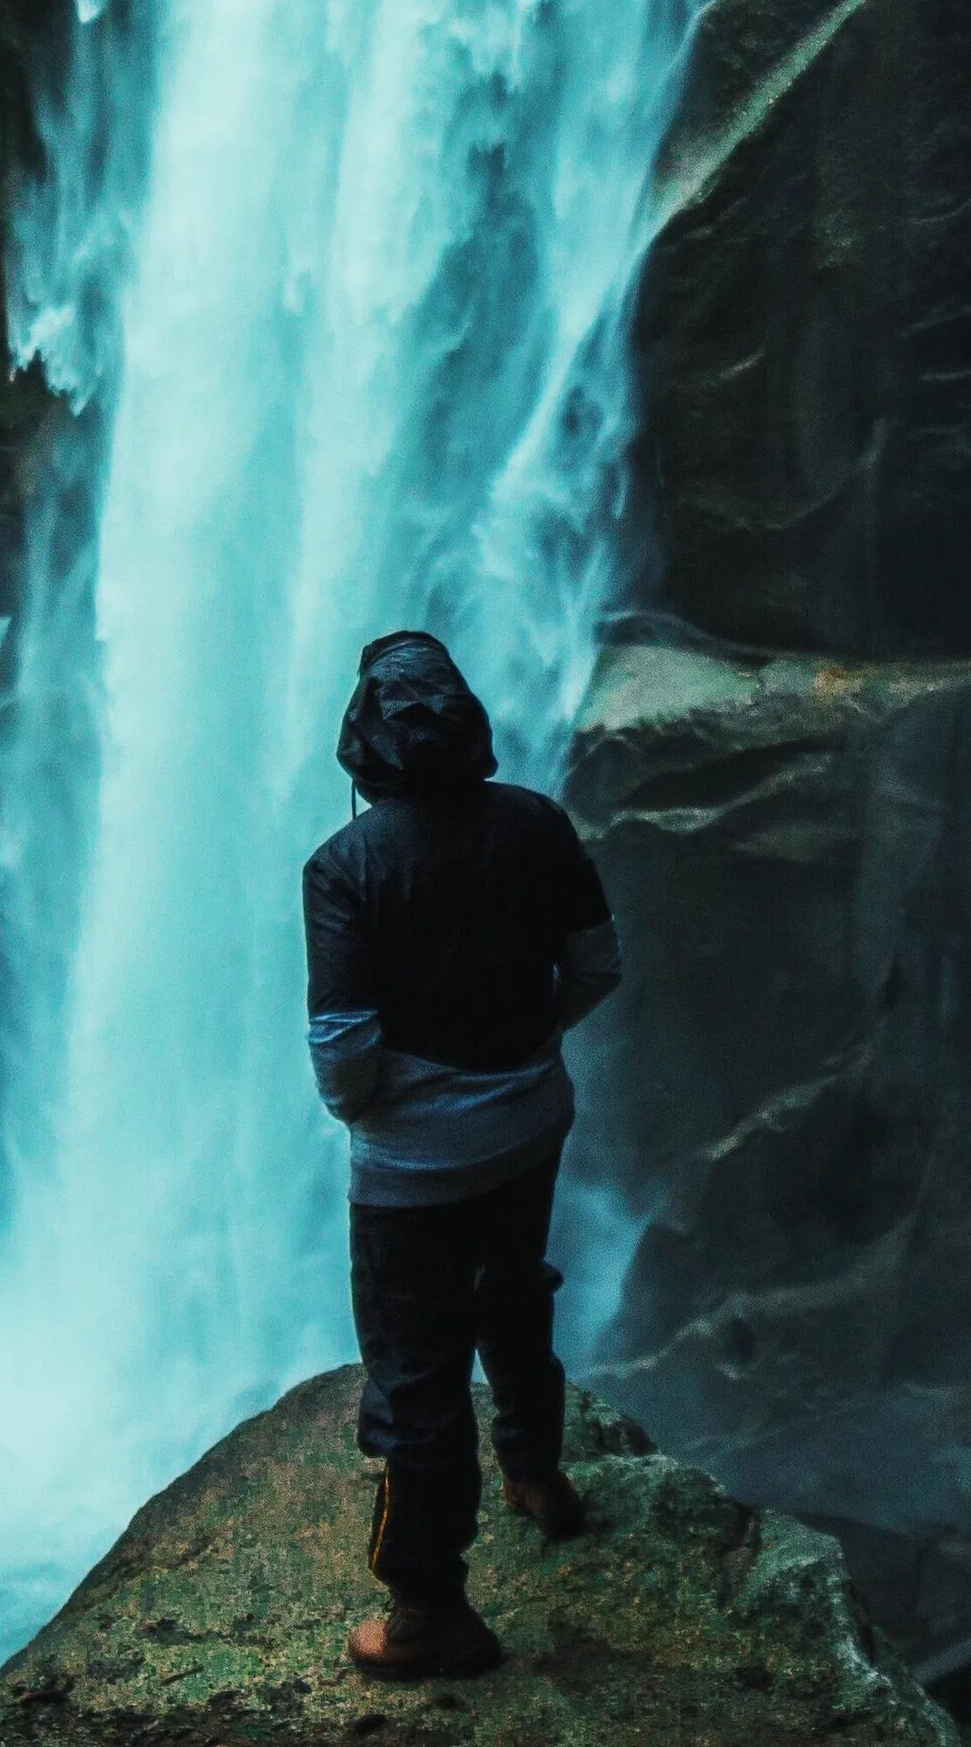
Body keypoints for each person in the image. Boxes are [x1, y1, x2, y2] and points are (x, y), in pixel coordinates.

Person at [303, 629, 626, 1682]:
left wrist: (386, 1112)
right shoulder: (535, 822)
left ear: (363, 747)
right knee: (514, 1290)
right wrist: (528, 1051)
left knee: (414, 1375)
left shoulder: (345, 867)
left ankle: (429, 1609)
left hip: (412, 1171)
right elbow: (593, 966)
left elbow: (344, 1053)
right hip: (529, 1126)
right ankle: (538, 1474)